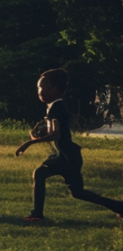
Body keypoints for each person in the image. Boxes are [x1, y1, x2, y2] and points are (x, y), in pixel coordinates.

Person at [16, 68, 123, 222]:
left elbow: (56, 133)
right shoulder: (54, 107)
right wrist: (36, 135)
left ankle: (36, 215)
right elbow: (53, 130)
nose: (39, 91)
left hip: (65, 156)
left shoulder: (56, 107)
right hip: (69, 155)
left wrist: (30, 143)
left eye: (41, 87)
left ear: (54, 89)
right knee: (78, 192)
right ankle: (119, 207)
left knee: (39, 174)